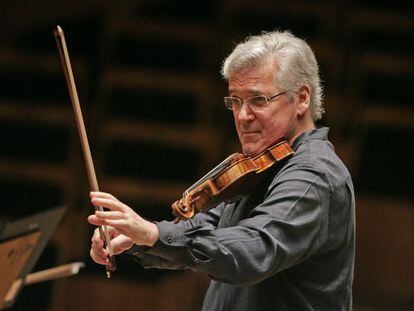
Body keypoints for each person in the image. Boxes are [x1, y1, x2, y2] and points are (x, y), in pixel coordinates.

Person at [89, 30, 355, 310]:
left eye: (258, 100)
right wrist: (136, 236)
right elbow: (207, 227)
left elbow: (253, 249)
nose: (242, 116)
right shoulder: (265, 167)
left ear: (301, 98)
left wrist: (152, 235)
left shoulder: (314, 175)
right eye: (235, 101)